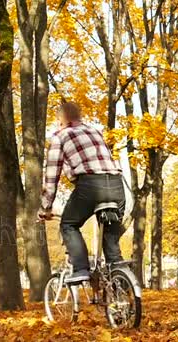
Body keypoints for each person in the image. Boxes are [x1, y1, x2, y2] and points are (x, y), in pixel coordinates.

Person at [38, 101, 126, 283]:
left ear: (60, 120)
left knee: (69, 224)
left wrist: (46, 206)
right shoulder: (94, 131)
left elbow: (52, 175)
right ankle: (120, 285)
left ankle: (81, 268)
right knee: (110, 234)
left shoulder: (60, 137)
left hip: (91, 185)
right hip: (117, 185)